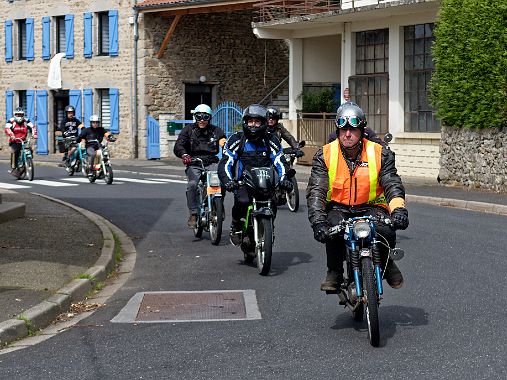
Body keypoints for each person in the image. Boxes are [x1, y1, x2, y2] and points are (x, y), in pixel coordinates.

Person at [306, 102, 409, 292]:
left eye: (352, 129)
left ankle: (387, 264)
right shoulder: (326, 154)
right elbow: (316, 191)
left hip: (372, 206)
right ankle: (335, 271)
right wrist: (318, 222)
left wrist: (399, 209)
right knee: (332, 231)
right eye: (343, 129)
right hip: (339, 207)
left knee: (386, 231)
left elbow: (392, 184)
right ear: (337, 130)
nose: (347, 134)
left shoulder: (380, 153)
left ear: (362, 130)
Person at [218, 104, 293, 245]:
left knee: (273, 203)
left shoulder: (271, 140)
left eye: (257, 121)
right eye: (250, 121)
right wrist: (227, 180)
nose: (253, 125)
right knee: (242, 201)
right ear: (245, 122)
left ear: (263, 123)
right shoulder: (236, 139)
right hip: (243, 184)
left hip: (266, 183)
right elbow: (226, 162)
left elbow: (280, 161)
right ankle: (236, 225)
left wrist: (284, 178)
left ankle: (268, 227)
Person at [173, 104, 226, 229]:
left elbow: (224, 141)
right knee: (192, 185)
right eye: (199, 117)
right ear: (195, 117)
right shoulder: (188, 130)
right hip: (194, 163)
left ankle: (219, 205)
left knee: (221, 182)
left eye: (205, 117)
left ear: (209, 118)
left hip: (211, 162)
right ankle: (193, 213)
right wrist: (184, 154)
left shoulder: (216, 130)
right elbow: (178, 145)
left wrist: (224, 144)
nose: (202, 120)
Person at [4, 107, 37, 176]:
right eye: (17, 115)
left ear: (23, 115)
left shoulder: (26, 121)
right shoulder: (11, 121)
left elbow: (32, 127)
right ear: (14, 115)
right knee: (16, 151)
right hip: (14, 141)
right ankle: (14, 167)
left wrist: (34, 134)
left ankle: (27, 162)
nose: (19, 116)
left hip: (24, 140)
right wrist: (11, 135)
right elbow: (7, 128)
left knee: (29, 150)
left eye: (21, 115)